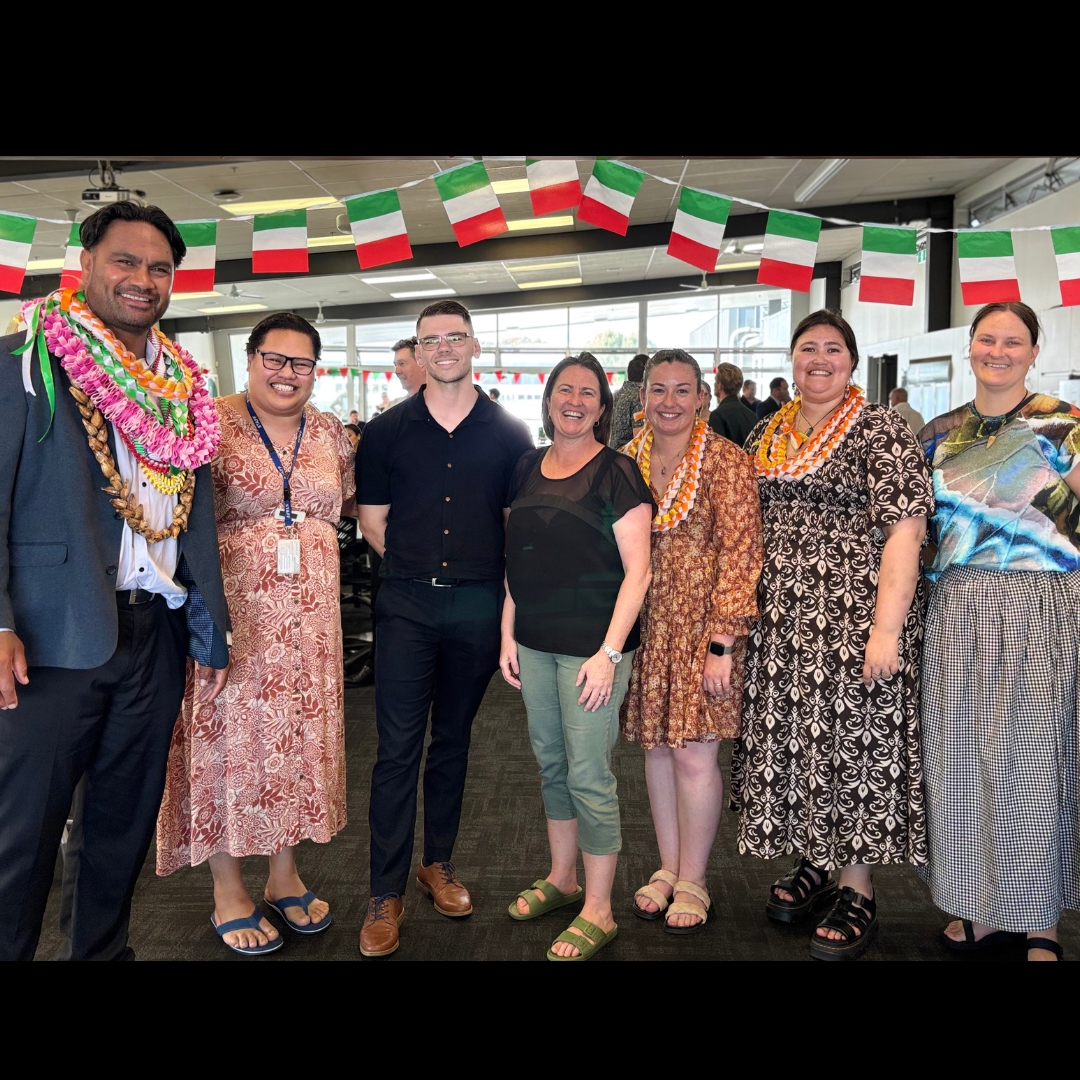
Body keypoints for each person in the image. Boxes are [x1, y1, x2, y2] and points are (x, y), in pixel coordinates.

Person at [0, 202, 229, 961]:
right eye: (125, 261)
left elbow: (193, 512)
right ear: (86, 265)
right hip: (51, 633)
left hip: (155, 631)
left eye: (159, 268)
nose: (142, 279)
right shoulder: (25, 361)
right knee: (22, 833)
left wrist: (211, 626)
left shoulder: (183, 383)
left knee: (122, 826)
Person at [734, 310, 934, 961]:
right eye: (807, 348)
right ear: (792, 359)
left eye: (833, 348)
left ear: (852, 360)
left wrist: (886, 630)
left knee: (854, 748)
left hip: (855, 618)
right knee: (799, 744)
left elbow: (906, 530)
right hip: (783, 623)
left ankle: (857, 887)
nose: (819, 359)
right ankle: (815, 861)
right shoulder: (769, 431)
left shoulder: (880, 429)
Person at [156, 312, 355, 955]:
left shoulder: (331, 433)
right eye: (275, 358)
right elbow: (174, 521)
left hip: (313, 627)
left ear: (315, 371)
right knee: (230, 746)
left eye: (301, 363)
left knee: (294, 745)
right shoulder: (209, 423)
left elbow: (349, 508)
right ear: (250, 359)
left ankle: (284, 873)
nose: (287, 373)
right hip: (234, 619)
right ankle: (228, 889)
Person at [356, 299, 533, 957]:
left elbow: (515, 531)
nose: (444, 348)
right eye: (431, 340)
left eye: (455, 336)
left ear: (474, 345)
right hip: (407, 606)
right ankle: (384, 892)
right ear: (418, 350)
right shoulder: (385, 432)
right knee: (397, 749)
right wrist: (421, 569)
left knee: (454, 740)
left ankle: (438, 864)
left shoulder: (510, 434)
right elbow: (373, 523)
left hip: (478, 609)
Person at [919, 302, 1080, 962]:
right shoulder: (939, 433)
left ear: (1034, 352)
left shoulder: (1062, 424)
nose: (998, 351)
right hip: (959, 609)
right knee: (959, 761)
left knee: (1036, 763)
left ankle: (1040, 919)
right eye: (987, 339)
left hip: (1043, 605)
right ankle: (978, 905)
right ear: (970, 347)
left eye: (1013, 341)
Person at [501, 353, 652, 960]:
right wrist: (508, 632)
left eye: (588, 393)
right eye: (565, 390)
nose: (574, 401)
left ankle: (599, 907)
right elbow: (516, 557)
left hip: (594, 649)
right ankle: (563, 879)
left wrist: (609, 654)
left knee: (589, 774)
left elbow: (639, 573)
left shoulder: (618, 472)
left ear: (603, 407)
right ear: (548, 400)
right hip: (534, 640)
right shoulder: (524, 466)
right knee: (551, 764)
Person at [621, 350, 762, 935]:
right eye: (659, 389)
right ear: (642, 396)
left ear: (702, 397)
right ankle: (668, 866)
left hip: (706, 626)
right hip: (647, 624)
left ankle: (695, 879)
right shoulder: (626, 459)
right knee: (656, 749)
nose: (670, 402)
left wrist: (723, 640)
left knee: (695, 754)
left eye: (683, 390)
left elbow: (743, 552)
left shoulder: (726, 460)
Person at [351, 336, 424, 690]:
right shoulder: (391, 418)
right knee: (384, 605)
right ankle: (380, 665)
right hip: (386, 533)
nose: (397, 371)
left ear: (422, 361)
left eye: (403, 363)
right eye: (395, 364)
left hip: (425, 536)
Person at [709, 362, 757, 447]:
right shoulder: (752, 416)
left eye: (715, 381)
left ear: (720, 385)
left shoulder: (717, 416)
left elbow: (717, 451)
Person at [609, 353, 648, 448]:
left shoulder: (616, 395)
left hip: (612, 452)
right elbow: (639, 439)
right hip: (628, 455)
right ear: (646, 376)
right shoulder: (639, 397)